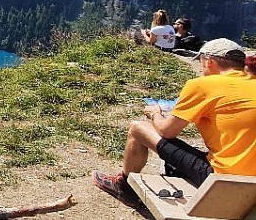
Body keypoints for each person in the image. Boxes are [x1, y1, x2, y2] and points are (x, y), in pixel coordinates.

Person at [92, 38, 256, 207]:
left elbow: (166, 131)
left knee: (137, 129)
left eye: (201, 64)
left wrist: (155, 114)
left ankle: (124, 187)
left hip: (224, 181)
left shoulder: (202, 85)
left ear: (209, 62)